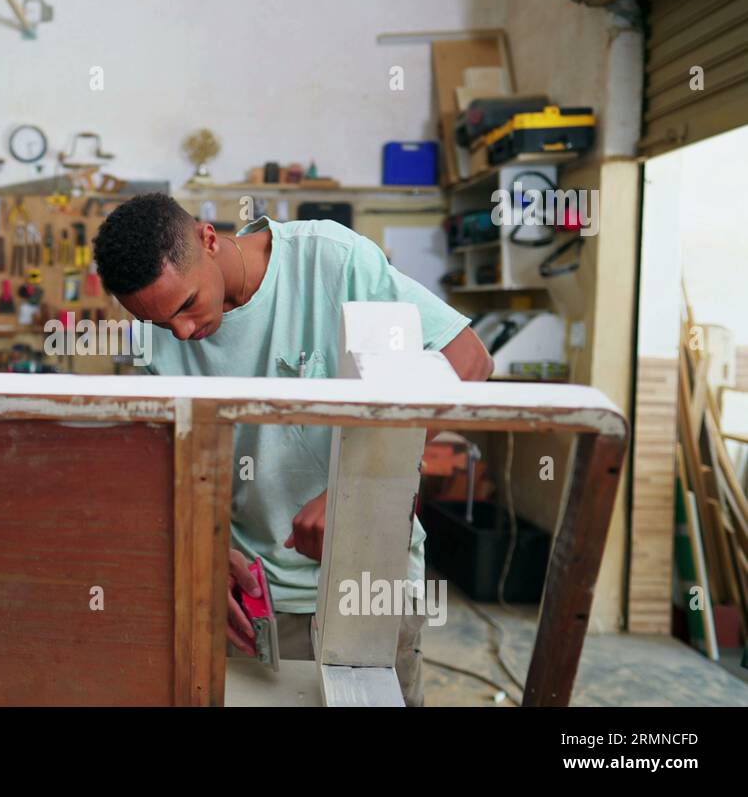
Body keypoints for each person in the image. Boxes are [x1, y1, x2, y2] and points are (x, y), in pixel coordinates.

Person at [92, 193, 493, 705]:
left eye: (187, 305)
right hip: (255, 600)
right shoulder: (157, 341)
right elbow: (178, 470)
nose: (183, 332)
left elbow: (469, 360)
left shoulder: (331, 261)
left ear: (208, 239)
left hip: (370, 583)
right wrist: (210, 557)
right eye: (160, 323)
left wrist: (353, 489)